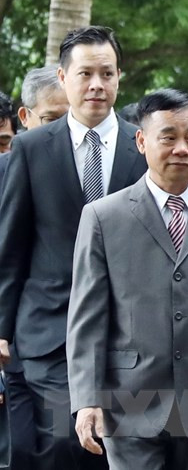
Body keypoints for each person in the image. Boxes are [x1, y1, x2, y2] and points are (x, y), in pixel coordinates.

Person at [66, 89, 188, 470]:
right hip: (128, 403)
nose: (182, 149)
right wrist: (86, 399)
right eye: (168, 137)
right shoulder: (104, 217)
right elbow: (87, 318)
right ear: (141, 141)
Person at [0, 26, 147, 470]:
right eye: (85, 74)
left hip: (130, 331)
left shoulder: (144, 146)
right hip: (48, 329)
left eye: (106, 73)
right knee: (66, 440)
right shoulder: (29, 148)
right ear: (63, 78)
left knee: (117, 448)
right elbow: (11, 246)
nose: (96, 85)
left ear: (120, 76)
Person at [0, 65, 70, 470]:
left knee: (61, 447)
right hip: (18, 341)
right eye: (50, 120)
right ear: (25, 119)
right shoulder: (8, 171)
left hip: (66, 345)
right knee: (19, 450)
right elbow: (7, 256)